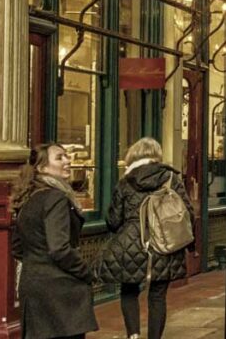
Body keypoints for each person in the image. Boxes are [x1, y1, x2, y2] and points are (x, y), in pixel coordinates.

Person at [97, 137, 192, 339]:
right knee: (158, 296)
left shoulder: (125, 181)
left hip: (130, 244)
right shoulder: (171, 178)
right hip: (165, 244)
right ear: (157, 156)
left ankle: (133, 335)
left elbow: (113, 220)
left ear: (133, 155)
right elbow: (187, 213)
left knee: (129, 290)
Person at [11, 141, 95, 339]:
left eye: (66, 155)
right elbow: (59, 249)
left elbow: (17, 247)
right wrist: (86, 272)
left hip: (33, 288)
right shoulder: (56, 198)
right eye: (59, 157)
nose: (67, 160)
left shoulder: (28, 198)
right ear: (42, 168)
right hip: (59, 293)